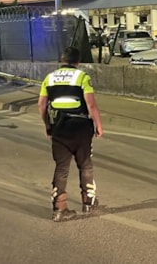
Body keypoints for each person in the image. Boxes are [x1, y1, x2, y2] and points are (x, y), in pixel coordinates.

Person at [38, 46, 104, 222]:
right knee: (85, 165)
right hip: (81, 127)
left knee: (61, 168)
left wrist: (48, 125)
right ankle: (88, 203)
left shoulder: (49, 78)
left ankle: (60, 209)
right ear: (78, 62)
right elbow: (91, 104)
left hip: (59, 127)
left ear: (62, 60)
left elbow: (41, 105)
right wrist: (98, 124)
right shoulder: (82, 77)